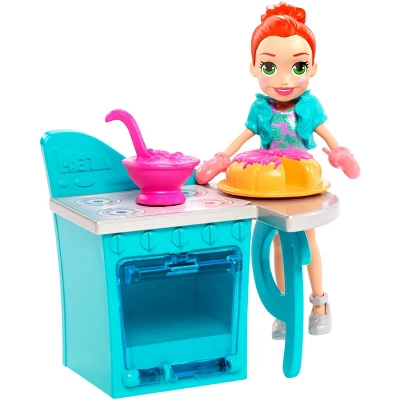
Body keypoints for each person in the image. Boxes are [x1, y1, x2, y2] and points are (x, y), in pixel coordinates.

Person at [195, 2, 360, 339]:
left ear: (313, 68)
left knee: (308, 241)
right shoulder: (260, 109)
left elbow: (329, 138)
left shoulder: (308, 107)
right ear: (254, 67)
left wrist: (341, 155)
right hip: (268, 180)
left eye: (298, 67)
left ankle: (319, 302)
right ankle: (285, 309)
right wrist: (221, 160)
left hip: (301, 181)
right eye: (270, 67)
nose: (284, 79)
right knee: (278, 246)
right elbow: (242, 138)